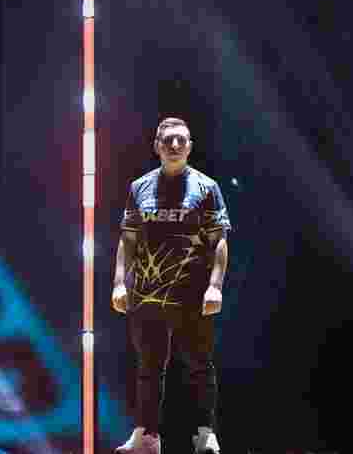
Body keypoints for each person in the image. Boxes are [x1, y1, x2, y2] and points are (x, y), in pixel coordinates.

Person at [112, 117, 231, 454]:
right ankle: (146, 436)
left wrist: (215, 286)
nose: (175, 146)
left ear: (190, 146)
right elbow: (128, 239)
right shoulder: (139, 187)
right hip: (146, 294)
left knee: (199, 366)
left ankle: (205, 433)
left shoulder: (207, 188)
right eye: (168, 140)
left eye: (181, 140)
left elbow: (219, 241)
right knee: (148, 368)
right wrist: (119, 282)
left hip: (191, 294)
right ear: (157, 146)